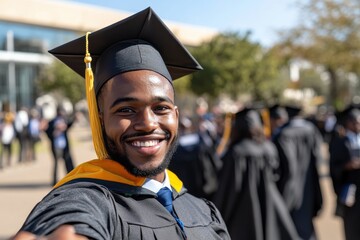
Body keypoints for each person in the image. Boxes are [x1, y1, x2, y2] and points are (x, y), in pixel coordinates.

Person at [11, 8, 230, 240]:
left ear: (176, 115)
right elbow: (67, 220)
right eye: (126, 110)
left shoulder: (204, 210)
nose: (147, 123)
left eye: (161, 108)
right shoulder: (86, 199)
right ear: (101, 119)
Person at [212, 107, 300, 240]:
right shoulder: (269, 148)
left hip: (242, 213)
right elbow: (278, 176)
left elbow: (227, 189)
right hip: (270, 206)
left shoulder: (236, 153)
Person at [271, 104, 323, 240]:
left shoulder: (282, 134)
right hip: (309, 184)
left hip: (287, 188)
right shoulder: (311, 130)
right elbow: (319, 158)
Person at [329, 104, 360, 240]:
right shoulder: (339, 142)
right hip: (349, 191)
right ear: (349, 123)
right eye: (356, 122)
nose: (358, 125)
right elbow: (333, 167)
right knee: (351, 226)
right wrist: (346, 166)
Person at [45, 106, 75, 186]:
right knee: (56, 164)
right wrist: (56, 130)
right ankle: (54, 181)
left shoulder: (64, 120)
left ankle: (71, 179)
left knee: (68, 162)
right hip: (56, 146)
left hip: (64, 145)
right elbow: (47, 132)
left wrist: (74, 118)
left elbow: (69, 124)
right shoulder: (52, 122)